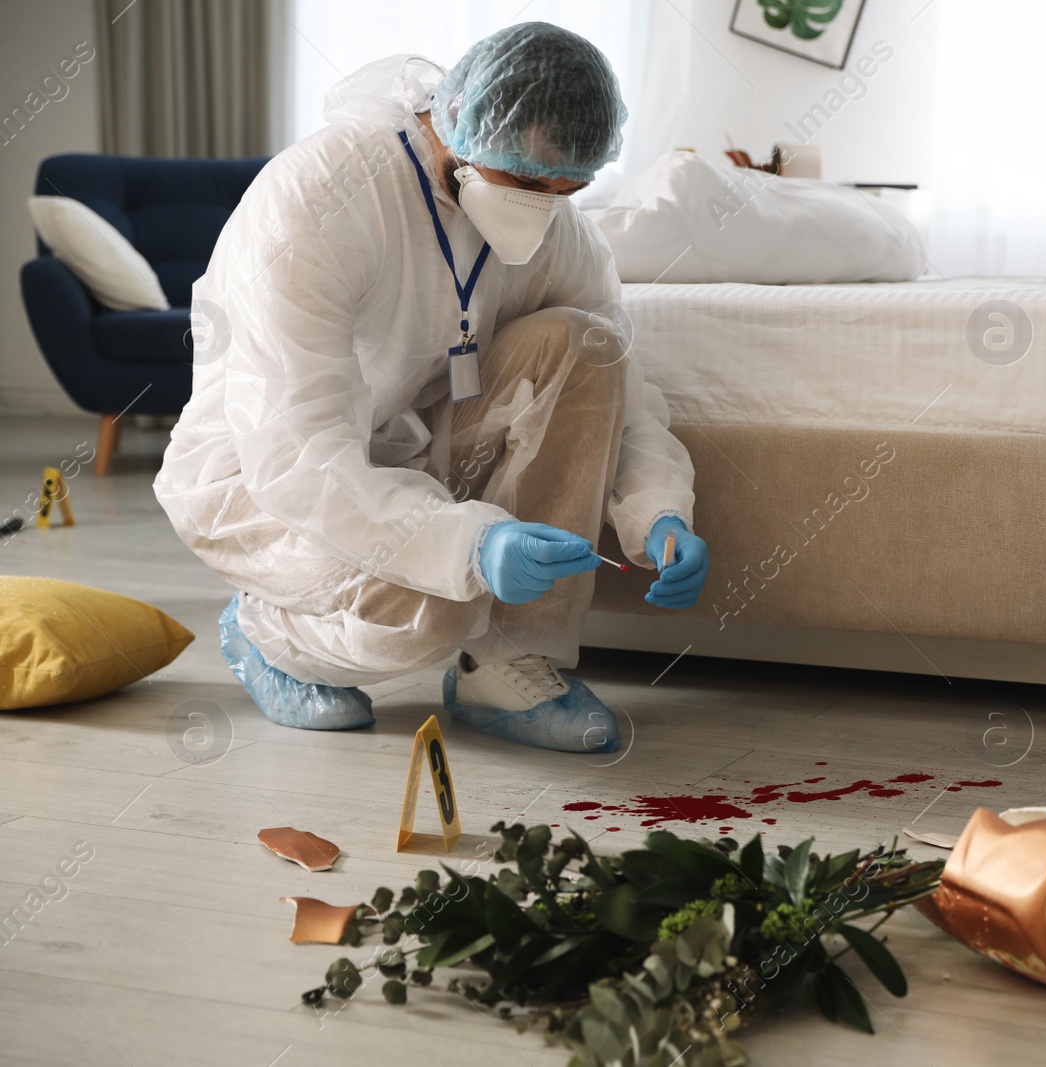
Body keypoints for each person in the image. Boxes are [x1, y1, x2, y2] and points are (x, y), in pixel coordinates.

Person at [154, 24, 708, 754]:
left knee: (587, 341)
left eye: (566, 189)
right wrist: (467, 543)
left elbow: (620, 382)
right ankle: (270, 633)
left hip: (413, 449)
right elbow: (296, 446)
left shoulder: (555, 226)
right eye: (526, 183)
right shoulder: (322, 198)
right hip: (265, 480)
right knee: (442, 600)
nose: (544, 210)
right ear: (462, 130)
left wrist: (659, 509)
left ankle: (508, 665)